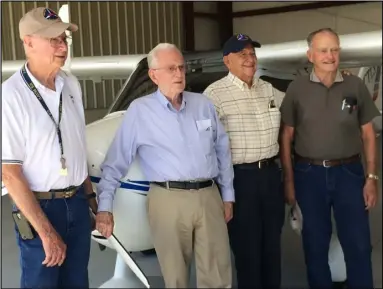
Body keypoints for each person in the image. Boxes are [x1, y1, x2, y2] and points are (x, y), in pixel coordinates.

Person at [95, 43, 234, 288]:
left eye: (181, 67)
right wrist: (104, 207)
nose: (179, 74)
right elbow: (115, 162)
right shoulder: (140, 111)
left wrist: (227, 196)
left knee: (217, 274)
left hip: (209, 196)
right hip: (167, 199)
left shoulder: (203, 104)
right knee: (175, 277)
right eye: (171, 68)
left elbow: (222, 151)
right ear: (153, 75)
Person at [2, 7, 97, 289]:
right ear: (27, 42)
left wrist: (92, 202)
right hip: (40, 207)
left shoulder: (72, 85)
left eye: (63, 37)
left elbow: (79, 148)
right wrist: (45, 231)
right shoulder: (10, 96)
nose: (62, 45)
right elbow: (9, 174)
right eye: (52, 38)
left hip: (77, 203)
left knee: (78, 281)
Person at [280, 27, 379, 289]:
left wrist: (371, 178)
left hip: (349, 173)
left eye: (334, 50)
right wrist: (289, 181)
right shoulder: (296, 89)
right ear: (310, 55)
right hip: (308, 175)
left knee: (358, 243)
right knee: (315, 245)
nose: (330, 56)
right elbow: (286, 136)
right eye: (323, 50)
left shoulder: (354, 85)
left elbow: (368, 134)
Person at [203, 34, 286, 289]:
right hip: (240, 180)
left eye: (252, 53)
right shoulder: (214, 95)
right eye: (243, 54)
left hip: (271, 177)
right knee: (248, 251)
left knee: (272, 247)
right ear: (227, 61)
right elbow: (206, 145)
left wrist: (340, 80)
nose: (250, 59)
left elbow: (299, 104)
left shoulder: (268, 89)